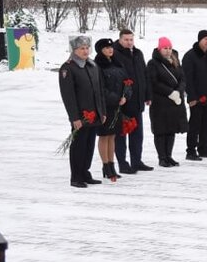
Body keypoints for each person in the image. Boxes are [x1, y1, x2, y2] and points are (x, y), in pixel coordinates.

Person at [58, 35, 105, 188]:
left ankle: (85, 172)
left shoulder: (92, 65)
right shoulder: (68, 68)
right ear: (74, 50)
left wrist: (102, 111)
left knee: (89, 145)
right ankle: (76, 176)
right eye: (82, 48)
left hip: (94, 114)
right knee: (79, 146)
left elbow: (99, 91)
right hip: (81, 116)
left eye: (87, 48)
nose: (85, 51)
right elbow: (68, 96)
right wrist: (74, 118)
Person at [112, 29, 153, 174]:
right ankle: (123, 163)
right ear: (120, 40)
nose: (129, 42)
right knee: (121, 134)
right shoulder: (115, 54)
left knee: (137, 134)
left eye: (131, 39)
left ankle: (136, 161)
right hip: (123, 102)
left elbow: (144, 75)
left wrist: (147, 95)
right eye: (126, 40)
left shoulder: (138, 53)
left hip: (137, 101)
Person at [146, 36, 188, 168]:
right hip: (160, 101)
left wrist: (179, 91)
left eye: (169, 48)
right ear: (159, 49)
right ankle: (162, 157)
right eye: (165, 48)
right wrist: (170, 92)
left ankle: (169, 156)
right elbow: (154, 82)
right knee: (161, 130)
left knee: (171, 130)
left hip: (175, 101)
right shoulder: (153, 63)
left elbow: (182, 78)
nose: (168, 51)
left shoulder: (176, 61)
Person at [182, 30, 207, 160]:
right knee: (195, 124)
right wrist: (192, 97)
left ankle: (203, 148)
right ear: (199, 40)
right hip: (197, 98)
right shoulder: (190, 56)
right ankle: (191, 150)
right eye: (205, 39)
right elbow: (187, 78)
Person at [93, 38, 128, 182]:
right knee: (104, 135)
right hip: (106, 105)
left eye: (111, 47)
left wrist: (126, 95)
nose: (110, 50)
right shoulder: (97, 65)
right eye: (107, 48)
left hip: (118, 105)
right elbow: (100, 87)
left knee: (112, 135)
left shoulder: (117, 62)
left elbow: (127, 81)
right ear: (101, 50)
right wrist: (115, 98)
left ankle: (111, 164)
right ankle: (106, 165)